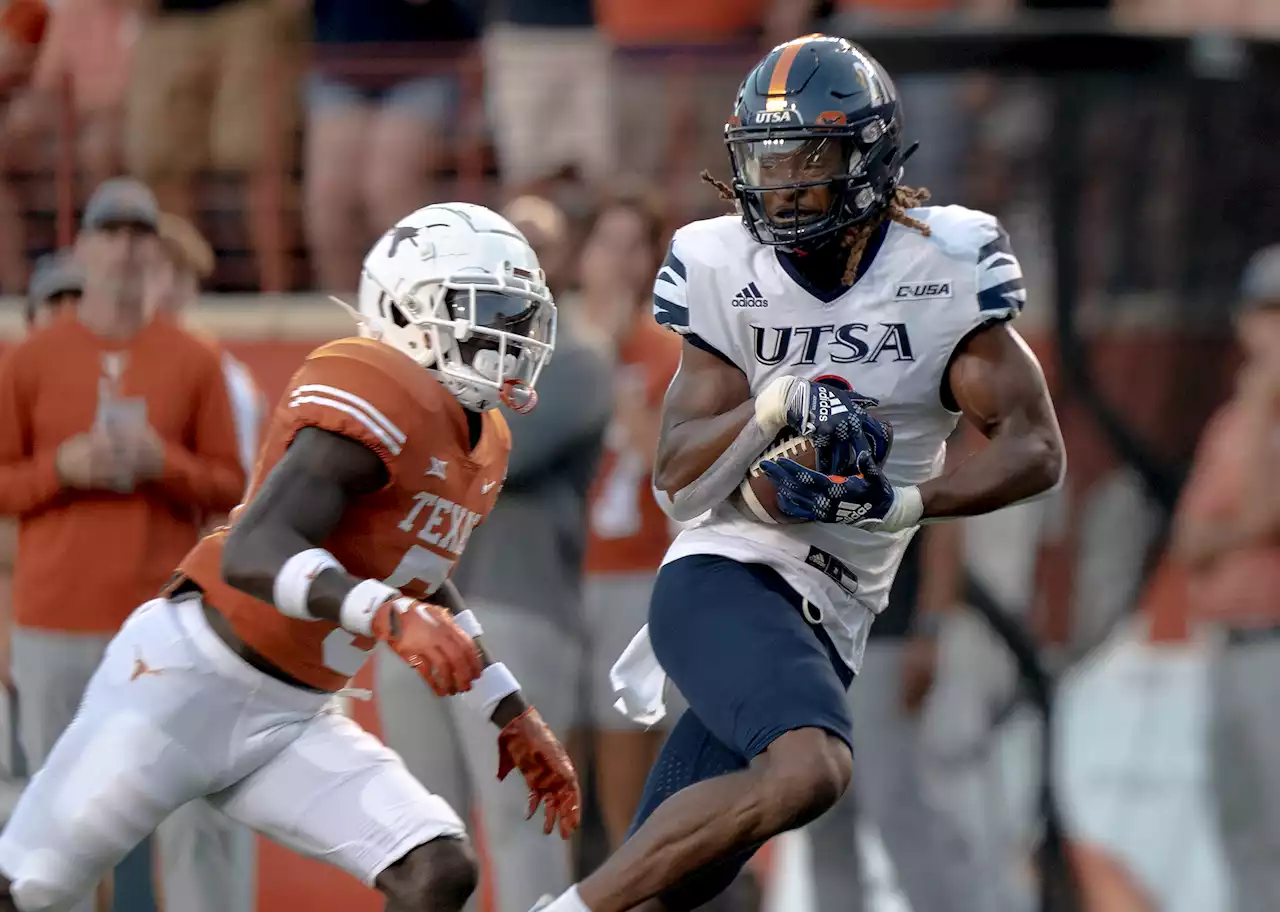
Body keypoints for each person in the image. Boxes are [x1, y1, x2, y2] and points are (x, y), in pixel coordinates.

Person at [530, 35, 1066, 912]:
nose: (780, 179)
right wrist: (774, 403)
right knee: (813, 768)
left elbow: (1036, 448)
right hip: (728, 569)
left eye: (806, 155)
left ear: (871, 158)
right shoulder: (721, 264)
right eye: (765, 157)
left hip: (841, 602)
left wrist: (905, 502)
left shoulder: (941, 265)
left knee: (678, 878)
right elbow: (677, 478)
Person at [0, 201, 581, 912]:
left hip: (291, 717)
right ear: (410, 309)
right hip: (184, 683)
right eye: (489, 307)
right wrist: (386, 614)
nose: (512, 333)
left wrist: (511, 712)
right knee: (26, 890)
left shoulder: (481, 435)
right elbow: (256, 551)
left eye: (519, 313)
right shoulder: (378, 388)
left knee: (437, 871)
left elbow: (420, 574)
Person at [0, 177, 247, 912]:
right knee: (62, 826)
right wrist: (63, 469)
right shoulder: (31, 360)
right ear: (82, 248)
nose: (126, 248)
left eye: (141, 233)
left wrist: (160, 463)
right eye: (111, 232)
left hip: (163, 624)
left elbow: (232, 487)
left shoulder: (195, 359)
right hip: (55, 620)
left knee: (193, 816)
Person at [374, 194, 613, 912]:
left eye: (534, 246)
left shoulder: (576, 360)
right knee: (417, 829)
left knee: (522, 822)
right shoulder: (435, 351)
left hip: (519, 606)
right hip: (417, 604)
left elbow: (491, 451)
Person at [1171, 244, 1280, 912]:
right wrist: (1237, 531)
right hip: (1227, 643)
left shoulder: (1259, 417)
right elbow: (1190, 540)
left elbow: (1268, 512)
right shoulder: (1229, 424)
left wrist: (1267, 400)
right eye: (1266, 312)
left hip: (1276, 644)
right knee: (1239, 829)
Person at [575, 189, 683, 851]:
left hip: (634, 573)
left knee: (629, 771)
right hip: (557, 579)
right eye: (606, 243)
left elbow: (672, 469)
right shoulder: (549, 346)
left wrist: (618, 376)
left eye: (633, 246)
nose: (618, 260)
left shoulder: (667, 352)